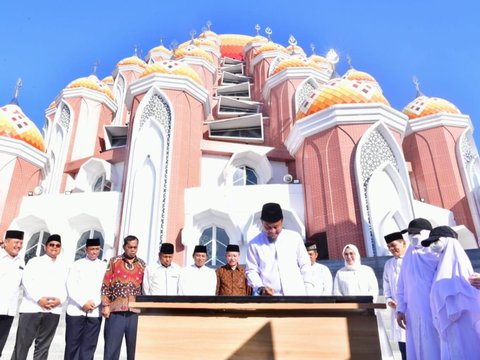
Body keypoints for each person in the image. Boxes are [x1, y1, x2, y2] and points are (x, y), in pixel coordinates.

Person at [421, 226, 480, 359]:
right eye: (431, 243)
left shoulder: (459, 266)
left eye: (436, 241)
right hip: (448, 328)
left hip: (462, 325)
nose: (432, 246)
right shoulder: (440, 268)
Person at [11, 234, 67, 360]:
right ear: (45, 247)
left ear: (60, 248)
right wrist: (39, 299)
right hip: (32, 309)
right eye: (51, 245)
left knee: (43, 347)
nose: (54, 247)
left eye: (57, 245)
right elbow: (27, 282)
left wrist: (60, 300)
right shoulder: (34, 262)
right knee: (22, 345)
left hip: (53, 311)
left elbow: (66, 285)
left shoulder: (64, 266)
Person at [333, 243, 393, 359]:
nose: (349, 256)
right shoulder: (340, 273)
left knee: (375, 341)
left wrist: (366, 306)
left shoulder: (367, 270)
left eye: (351, 253)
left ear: (357, 254)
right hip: (351, 314)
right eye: (346, 254)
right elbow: (337, 293)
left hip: (369, 311)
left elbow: (374, 290)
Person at [396, 218, 441, 360]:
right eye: (409, 234)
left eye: (416, 233)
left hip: (433, 310)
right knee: (417, 348)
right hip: (413, 312)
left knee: (435, 346)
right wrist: (400, 309)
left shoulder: (437, 253)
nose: (412, 237)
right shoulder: (409, 254)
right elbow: (402, 284)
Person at [246, 202, 313, 296]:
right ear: (262, 222)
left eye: (276, 227)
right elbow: (251, 271)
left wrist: (308, 292)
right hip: (270, 299)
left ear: (282, 221)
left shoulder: (294, 238)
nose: (272, 231)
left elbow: (305, 265)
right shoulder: (254, 244)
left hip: (297, 295)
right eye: (268, 227)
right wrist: (261, 288)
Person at [101, 235, 146, 360]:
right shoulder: (114, 261)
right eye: (130, 247)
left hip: (135, 313)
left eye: (135, 247)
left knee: (134, 351)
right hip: (116, 313)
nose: (132, 250)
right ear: (124, 247)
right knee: (111, 349)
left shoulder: (142, 265)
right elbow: (106, 284)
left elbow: (145, 288)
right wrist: (105, 305)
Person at [64, 238, 107, 360]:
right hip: (76, 311)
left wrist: (95, 303)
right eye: (92, 249)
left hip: (94, 311)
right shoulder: (76, 264)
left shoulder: (104, 266)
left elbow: (104, 287)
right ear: (85, 249)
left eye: (97, 249)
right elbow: (71, 285)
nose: (94, 252)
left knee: (89, 347)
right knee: (72, 346)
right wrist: (83, 302)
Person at [382, 231, 408, 360]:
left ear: (403, 243)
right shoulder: (388, 264)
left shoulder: (412, 259)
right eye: (389, 247)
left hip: (413, 309)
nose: (391, 249)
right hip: (397, 310)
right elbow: (386, 287)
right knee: (403, 347)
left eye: (393, 245)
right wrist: (389, 300)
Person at [0, 230, 24, 357]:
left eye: (21, 243)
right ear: (6, 242)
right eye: (16, 242)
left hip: (8, 312)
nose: (19, 246)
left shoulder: (21, 261)